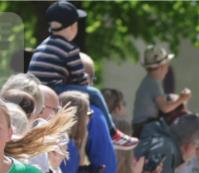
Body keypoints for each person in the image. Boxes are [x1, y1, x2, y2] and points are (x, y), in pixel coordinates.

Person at [27, 1, 138, 149]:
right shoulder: (69, 48)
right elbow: (80, 81)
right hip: (54, 89)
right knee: (95, 93)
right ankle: (113, 134)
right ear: (73, 26)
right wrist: (86, 79)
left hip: (36, 89)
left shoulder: (43, 45)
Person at [132, 45, 190, 138]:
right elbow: (165, 108)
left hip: (142, 126)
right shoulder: (154, 83)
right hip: (145, 127)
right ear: (162, 66)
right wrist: (181, 99)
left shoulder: (149, 81)